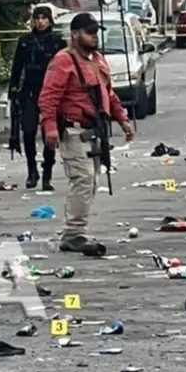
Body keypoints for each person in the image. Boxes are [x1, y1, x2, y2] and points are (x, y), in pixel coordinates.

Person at [38, 13, 134, 257]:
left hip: (94, 132)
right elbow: (48, 97)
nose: (94, 36)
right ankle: (73, 234)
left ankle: (76, 231)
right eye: (89, 32)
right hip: (73, 131)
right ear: (74, 34)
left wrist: (122, 118)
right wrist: (49, 127)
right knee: (82, 180)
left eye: (95, 32)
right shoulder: (63, 61)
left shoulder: (97, 60)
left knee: (91, 182)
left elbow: (108, 94)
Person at [9, 5, 65, 190]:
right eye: (37, 18)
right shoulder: (25, 41)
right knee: (29, 132)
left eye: (44, 18)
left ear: (50, 20)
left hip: (51, 93)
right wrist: (14, 90)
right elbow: (17, 68)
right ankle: (32, 170)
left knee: (49, 134)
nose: (40, 21)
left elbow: (65, 69)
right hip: (30, 92)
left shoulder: (57, 42)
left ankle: (47, 172)